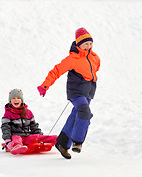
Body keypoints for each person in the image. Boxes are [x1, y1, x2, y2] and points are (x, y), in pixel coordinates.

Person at [37, 27, 100, 159]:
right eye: (85, 44)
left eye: (90, 43)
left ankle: (62, 144)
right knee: (84, 112)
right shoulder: (72, 58)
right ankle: (77, 142)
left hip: (88, 92)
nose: (88, 46)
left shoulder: (95, 58)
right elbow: (56, 71)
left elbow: (95, 70)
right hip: (76, 92)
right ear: (78, 44)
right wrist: (45, 85)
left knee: (75, 116)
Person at [1, 88, 57, 155]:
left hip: (27, 136)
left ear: (21, 100)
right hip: (15, 136)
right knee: (17, 138)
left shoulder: (28, 112)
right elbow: (5, 129)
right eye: (13, 98)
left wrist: (39, 136)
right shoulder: (8, 114)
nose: (16, 100)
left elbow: (34, 126)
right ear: (10, 101)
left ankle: (57, 139)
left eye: (18, 98)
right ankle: (16, 147)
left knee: (36, 137)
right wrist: (7, 141)